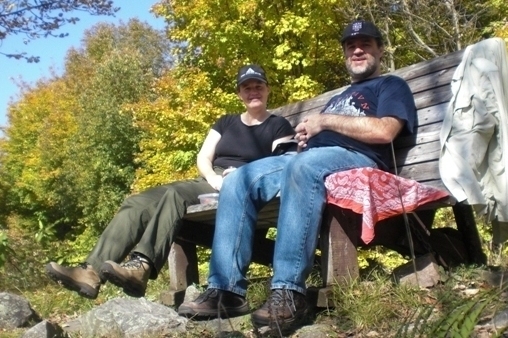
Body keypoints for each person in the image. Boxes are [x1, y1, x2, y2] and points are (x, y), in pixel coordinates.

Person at [177, 20, 417, 334]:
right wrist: (306, 137)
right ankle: (227, 291)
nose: (357, 50)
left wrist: (325, 122)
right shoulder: (340, 97)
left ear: (379, 50)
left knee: (301, 166)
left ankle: (289, 291)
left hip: (360, 160)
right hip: (310, 157)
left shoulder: (390, 86)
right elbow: (319, 135)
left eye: (366, 44)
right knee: (237, 180)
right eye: (350, 46)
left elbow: (385, 130)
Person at [45, 64, 295, 299]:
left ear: (267, 90)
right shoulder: (226, 122)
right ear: (239, 93)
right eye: (247, 87)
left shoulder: (277, 125)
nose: (253, 92)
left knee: (174, 197)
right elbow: (204, 157)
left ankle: (141, 266)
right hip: (212, 181)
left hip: (244, 186)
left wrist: (241, 176)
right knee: (137, 203)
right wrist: (213, 178)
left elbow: (280, 163)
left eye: (258, 86)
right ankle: (91, 271)